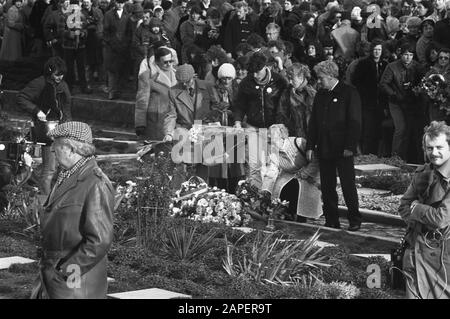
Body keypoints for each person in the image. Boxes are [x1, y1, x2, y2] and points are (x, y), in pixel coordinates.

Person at [31, 121, 114, 299]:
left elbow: (99, 241)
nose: (52, 150)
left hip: (74, 282)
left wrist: (66, 272)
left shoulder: (95, 183)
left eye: (56, 145)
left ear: (70, 148)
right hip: (55, 276)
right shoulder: (67, 175)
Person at [306, 60, 362, 231]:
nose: (319, 81)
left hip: (343, 148)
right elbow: (314, 122)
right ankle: (331, 219)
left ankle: (354, 219)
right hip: (324, 147)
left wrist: (350, 146)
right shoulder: (320, 95)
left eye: (321, 78)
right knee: (327, 186)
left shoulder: (349, 93)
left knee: (348, 185)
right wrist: (310, 145)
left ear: (330, 76)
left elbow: (355, 122)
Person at [398, 121, 450, 299]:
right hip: (416, 250)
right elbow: (404, 206)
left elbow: (441, 218)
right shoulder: (423, 172)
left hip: (443, 259)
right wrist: (419, 221)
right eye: (429, 148)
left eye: (439, 147)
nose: (434, 153)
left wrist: (418, 208)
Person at [17, 56, 72, 196]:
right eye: (57, 74)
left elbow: (66, 108)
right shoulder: (39, 83)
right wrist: (37, 111)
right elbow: (22, 98)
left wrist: (69, 126)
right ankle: (45, 201)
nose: (60, 77)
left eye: (62, 74)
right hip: (46, 131)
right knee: (50, 169)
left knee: (62, 167)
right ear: (49, 72)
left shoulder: (63, 85)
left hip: (61, 129)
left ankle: (38, 184)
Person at [232, 51, 288, 188]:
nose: (255, 75)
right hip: (253, 127)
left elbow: (285, 105)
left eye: (258, 72)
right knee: (254, 165)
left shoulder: (279, 81)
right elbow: (239, 104)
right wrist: (238, 122)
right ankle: (254, 197)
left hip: (274, 128)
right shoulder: (246, 82)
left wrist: (281, 126)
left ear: (265, 67)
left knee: (273, 167)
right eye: (252, 72)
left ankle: (273, 199)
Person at [261, 124, 322, 222]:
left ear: (281, 134)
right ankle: (285, 214)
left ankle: (301, 218)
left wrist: (305, 173)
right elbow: (272, 170)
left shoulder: (299, 142)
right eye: (268, 133)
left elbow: (315, 160)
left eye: (271, 133)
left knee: (300, 189)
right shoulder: (272, 152)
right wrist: (265, 188)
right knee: (280, 187)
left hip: (309, 174)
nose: (268, 136)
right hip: (289, 174)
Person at [380, 43, 425, 162]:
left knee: (410, 129)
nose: (408, 57)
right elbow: (383, 84)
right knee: (401, 128)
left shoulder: (417, 67)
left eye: (411, 55)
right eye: (405, 54)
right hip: (395, 102)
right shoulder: (392, 66)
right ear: (401, 54)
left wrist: (417, 91)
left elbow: (423, 82)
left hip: (411, 102)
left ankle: (407, 157)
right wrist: (393, 94)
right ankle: (395, 158)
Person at [135, 47, 177, 141]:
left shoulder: (177, 74)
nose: (169, 64)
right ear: (157, 62)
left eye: (171, 61)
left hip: (173, 119)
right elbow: (142, 101)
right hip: (155, 120)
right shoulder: (147, 76)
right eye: (165, 62)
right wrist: (140, 123)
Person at [276, 62, 316, 138]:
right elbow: (281, 114)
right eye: (289, 79)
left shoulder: (313, 92)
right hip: (294, 136)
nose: (290, 82)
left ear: (301, 77)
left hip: (312, 136)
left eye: (292, 79)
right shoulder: (287, 92)